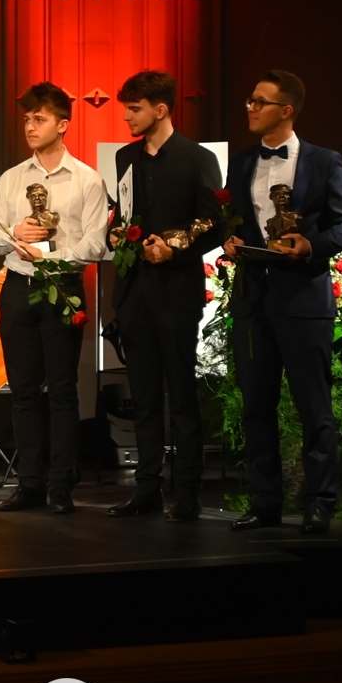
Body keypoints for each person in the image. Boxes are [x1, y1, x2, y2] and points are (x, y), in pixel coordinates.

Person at [223, 71, 342, 534]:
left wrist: (310, 245)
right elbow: (232, 220)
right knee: (256, 406)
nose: (250, 107)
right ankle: (265, 502)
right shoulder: (242, 162)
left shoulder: (324, 161)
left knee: (313, 408)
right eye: (249, 99)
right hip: (252, 299)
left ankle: (320, 503)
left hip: (303, 301)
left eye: (260, 101)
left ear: (286, 110)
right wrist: (230, 241)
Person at [0, 83, 109, 514]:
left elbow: (96, 243)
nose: (30, 127)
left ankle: (60, 485)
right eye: (26, 119)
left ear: (63, 124)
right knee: (22, 391)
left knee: (61, 390)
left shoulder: (87, 179)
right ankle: (29, 482)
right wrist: (14, 234)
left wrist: (50, 256)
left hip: (62, 287)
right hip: (18, 287)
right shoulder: (12, 178)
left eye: (39, 119)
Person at [107, 70, 223, 521]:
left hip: (176, 291)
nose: (127, 117)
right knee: (144, 397)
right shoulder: (125, 157)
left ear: (160, 109)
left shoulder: (197, 158)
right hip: (134, 291)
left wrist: (174, 250)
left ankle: (188, 491)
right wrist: (116, 232)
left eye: (134, 109)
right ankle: (147, 489)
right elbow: (123, 213)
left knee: (182, 394)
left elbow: (214, 223)